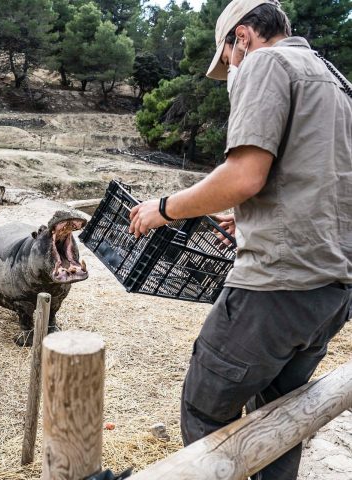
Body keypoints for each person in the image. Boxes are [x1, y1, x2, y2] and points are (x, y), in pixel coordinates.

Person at [128, 1, 352, 478]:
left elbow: (245, 174)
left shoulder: (267, 62)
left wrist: (163, 208)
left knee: (205, 412)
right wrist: (248, 214)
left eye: (227, 57)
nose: (230, 67)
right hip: (331, 292)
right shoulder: (335, 82)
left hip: (276, 287)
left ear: (243, 37)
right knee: (281, 417)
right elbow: (320, 182)